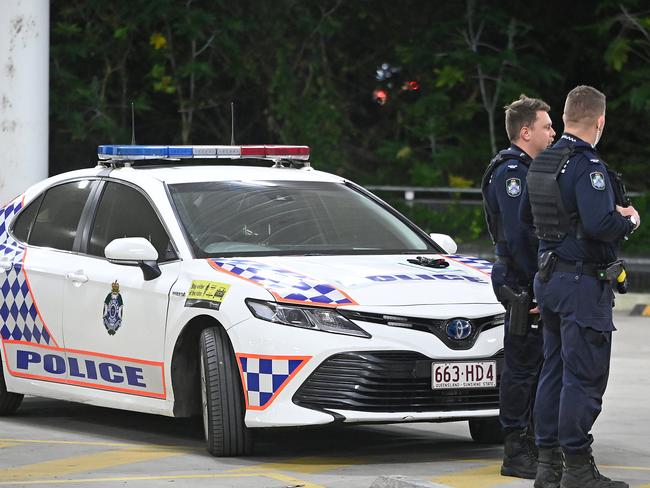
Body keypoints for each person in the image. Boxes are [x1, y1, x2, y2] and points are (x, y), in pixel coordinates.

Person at [525, 85, 640, 488]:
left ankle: (547, 467)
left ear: (567, 115)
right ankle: (576, 467)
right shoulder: (588, 165)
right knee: (583, 375)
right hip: (580, 283)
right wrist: (628, 219)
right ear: (599, 120)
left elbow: (526, 218)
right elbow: (599, 225)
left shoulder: (542, 161)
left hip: (549, 279)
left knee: (552, 371)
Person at [481, 94, 555, 479]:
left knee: (536, 364)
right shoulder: (512, 171)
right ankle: (516, 449)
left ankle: (535, 441)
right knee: (522, 366)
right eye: (546, 126)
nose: (553, 131)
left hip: (529, 278)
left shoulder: (529, 168)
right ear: (525, 132)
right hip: (522, 280)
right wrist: (540, 283)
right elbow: (521, 234)